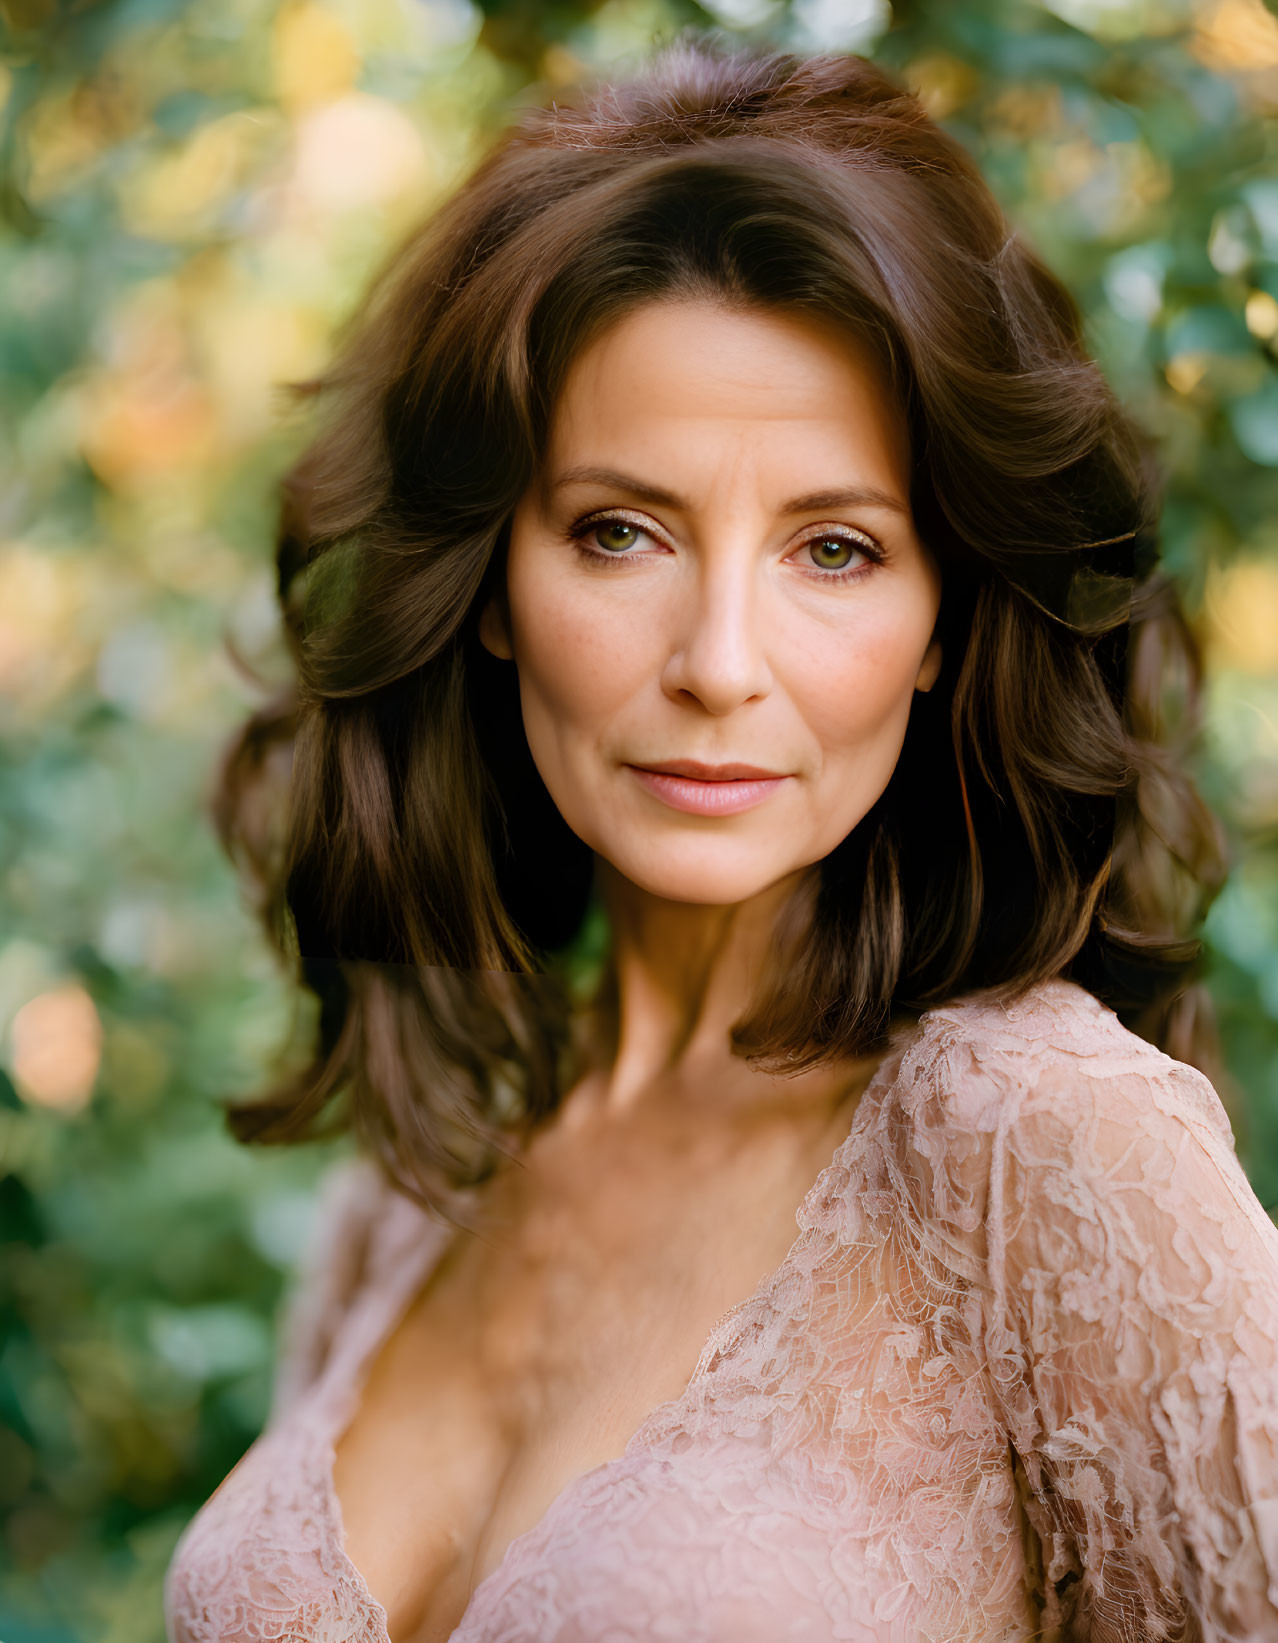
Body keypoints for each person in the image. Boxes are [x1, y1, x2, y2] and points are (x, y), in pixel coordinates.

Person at [163, 35, 1278, 1643]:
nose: (717, 662)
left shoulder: (1035, 1140)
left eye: (834, 549)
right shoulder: (410, 1198)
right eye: (619, 532)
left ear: (942, 623)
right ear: (487, 585)